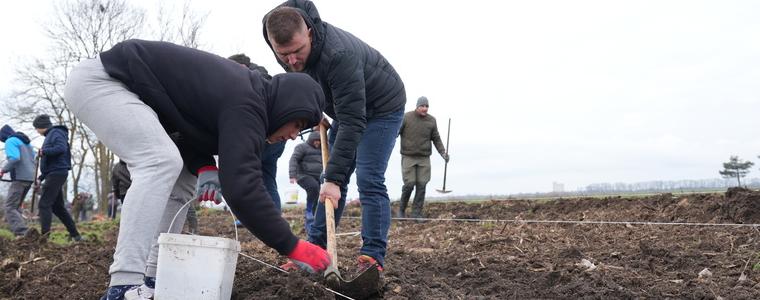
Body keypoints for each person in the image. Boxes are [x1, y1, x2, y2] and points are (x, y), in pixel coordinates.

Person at [63, 39, 330, 300]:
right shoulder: (248, 102)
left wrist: (203, 165)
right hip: (105, 81)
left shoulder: (246, 97)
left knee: (182, 180)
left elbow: (181, 127)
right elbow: (241, 188)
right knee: (158, 161)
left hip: (133, 94)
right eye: (296, 124)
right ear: (287, 105)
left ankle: (152, 277)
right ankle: (124, 284)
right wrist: (292, 246)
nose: (295, 135)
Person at [264, 0, 406, 273]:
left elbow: (354, 121)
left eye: (297, 51)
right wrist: (311, 107)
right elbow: (302, 80)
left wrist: (334, 180)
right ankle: (313, 252)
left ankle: (372, 256)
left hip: (381, 106)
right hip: (345, 106)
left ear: (309, 32)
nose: (291, 60)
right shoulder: (278, 29)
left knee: (367, 178)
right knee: (326, 181)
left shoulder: (338, 55)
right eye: (284, 55)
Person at [228, 53, 285, 213]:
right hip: (278, 139)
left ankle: (249, 216)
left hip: (264, 136)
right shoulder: (267, 78)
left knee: (244, 175)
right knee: (267, 178)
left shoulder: (250, 81)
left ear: (241, 67)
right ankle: (275, 217)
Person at [32, 114, 83, 241]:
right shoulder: (51, 135)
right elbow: (50, 162)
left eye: (36, 128)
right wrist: (40, 178)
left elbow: (61, 148)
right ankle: (76, 235)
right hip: (53, 173)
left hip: (57, 173)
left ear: (41, 126)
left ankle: (44, 238)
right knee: (57, 207)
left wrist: (43, 152)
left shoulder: (56, 133)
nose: (36, 131)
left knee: (44, 204)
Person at [112, 159, 198, 233]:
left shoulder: (117, 167)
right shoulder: (138, 163)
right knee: (144, 215)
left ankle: (131, 231)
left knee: (131, 216)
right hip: (140, 192)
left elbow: (115, 183)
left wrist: (117, 194)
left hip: (126, 194)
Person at [397, 96, 449, 218]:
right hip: (408, 156)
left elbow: (436, 138)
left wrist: (443, 153)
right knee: (409, 184)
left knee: (422, 185)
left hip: (424, 158)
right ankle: (401, 210)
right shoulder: (406, 117)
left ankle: (416, 213)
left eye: (427, 106)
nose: (425, 108)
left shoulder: (432, 121)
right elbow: (395, 132)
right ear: (417, 106)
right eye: (422, 106)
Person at [0, 124, 35, 237]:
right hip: (29, 178)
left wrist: (3, 170)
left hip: (19, 178)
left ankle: (22, 233)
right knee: (16, 206)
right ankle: (23, 233)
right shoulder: (26, 143)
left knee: (9, 207)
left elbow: (15, 158)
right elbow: (32, 159)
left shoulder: (10, 141)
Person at [288, 131, 322, 235]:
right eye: (315, 141)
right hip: (302, 175)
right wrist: (292, 175)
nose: (317, 143)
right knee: (313, 187)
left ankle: (313, 218)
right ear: (311, 140)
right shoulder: (302, 147)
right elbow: (293, 160)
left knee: (318, 195)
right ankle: (309, 210)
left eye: (319, 141)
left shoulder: (324, 148)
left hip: (318, 176)